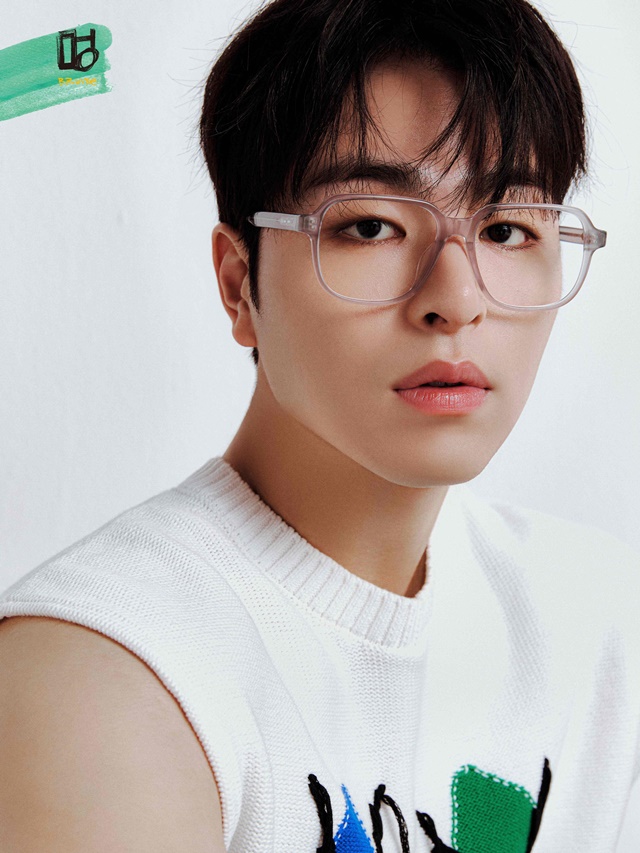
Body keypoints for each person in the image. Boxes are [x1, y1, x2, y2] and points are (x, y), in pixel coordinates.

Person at [0, 0, 638, 850]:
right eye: (370, 226)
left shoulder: (600, 624)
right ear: (240, 284)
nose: (457, 299)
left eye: (506, 228)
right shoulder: (108, 675)